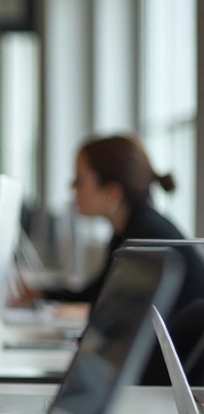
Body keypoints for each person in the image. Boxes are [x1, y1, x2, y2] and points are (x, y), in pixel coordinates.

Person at [48, 135, 204, 384]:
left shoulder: (146, 237)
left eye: (80, 179)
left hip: (166, 383)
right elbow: (98, 294)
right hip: (153, 371)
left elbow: (109, 312)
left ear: (112, 192)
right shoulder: (130, 229)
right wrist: (39, 294)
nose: (72, 187)